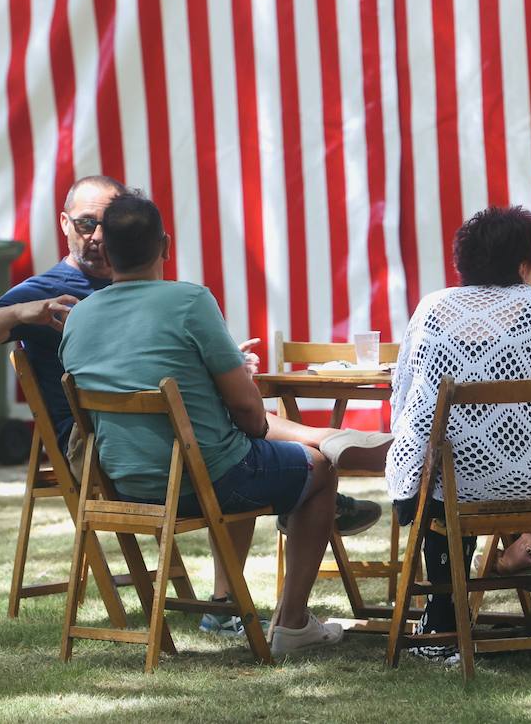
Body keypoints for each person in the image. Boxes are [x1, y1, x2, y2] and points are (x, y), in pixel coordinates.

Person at [60, 191, 343, 659]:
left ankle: (228, 601)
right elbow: (251, 417)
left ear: (106, 252)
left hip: (122, 485)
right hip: (208, 479)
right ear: (165, 245)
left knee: (262, 461)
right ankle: (293, 622)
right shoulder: (190, 302)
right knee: (320, 469)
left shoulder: (79, 316)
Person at [385, 206, 531, 663]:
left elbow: (407, 393)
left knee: (441, 465)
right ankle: (505, 583)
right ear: (522, 263)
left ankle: (443, 617)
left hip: (449, 482)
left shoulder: (433, 306)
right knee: (466, 459)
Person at [0, 175, 125, 445]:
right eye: (87, 223)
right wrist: (19, 312)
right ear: (65, 223)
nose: (98, 236)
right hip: (92, 441)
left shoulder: (136, 279)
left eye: (110, 224)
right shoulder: (45, 291)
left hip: (138, 426)